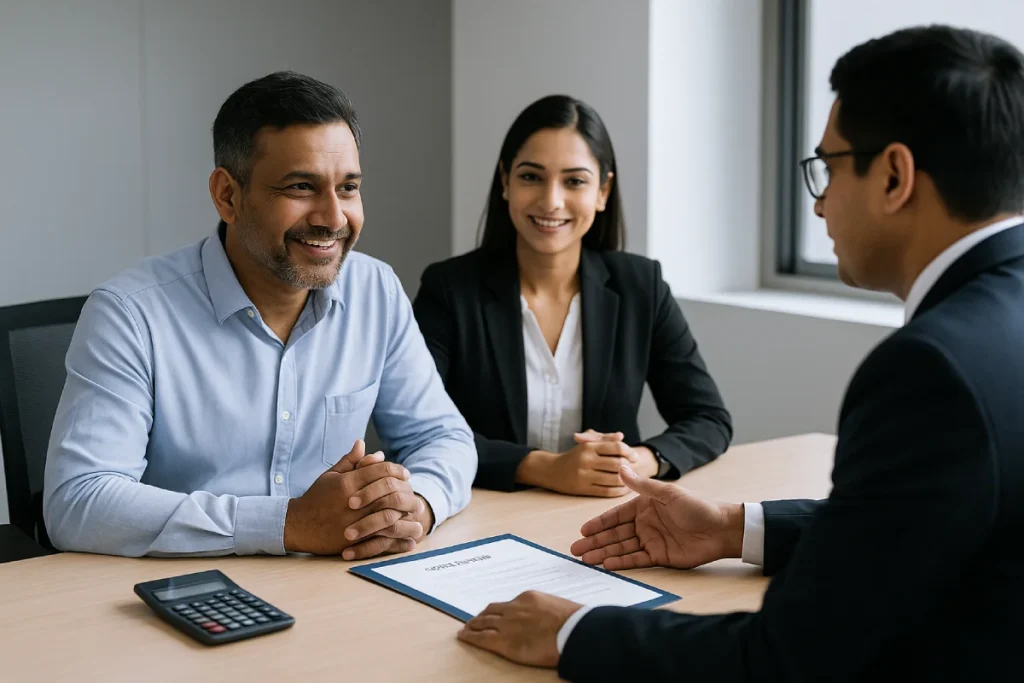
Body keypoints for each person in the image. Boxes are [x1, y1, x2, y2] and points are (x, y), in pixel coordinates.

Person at [456, 25, 1024, 681]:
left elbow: (786, 655)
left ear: (893, 175)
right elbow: (906, 529)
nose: (819, 205)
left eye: (827, 169)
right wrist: (734, 527)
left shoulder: (931, 368)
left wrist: (576, 629)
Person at [42, 72, 476, 559]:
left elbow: (443, 437)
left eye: (348, 187)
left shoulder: (376, 290)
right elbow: (78, 502)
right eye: (301, 187)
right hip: (187, 595)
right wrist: (287, 523)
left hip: (334, 589)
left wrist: (416, 505)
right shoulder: (130, 314)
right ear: (228, 195)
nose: (333, 218)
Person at [412, 95, 732, 496]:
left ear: (602, 191)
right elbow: (420, 431)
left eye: (575, 181)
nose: (551, 201)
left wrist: (640, 460)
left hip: (604, 517)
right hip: (484, 515)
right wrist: (544, 468)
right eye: (531, 176)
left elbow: (708, 418)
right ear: (505, 181)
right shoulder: (449, 290)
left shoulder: (641, 286)